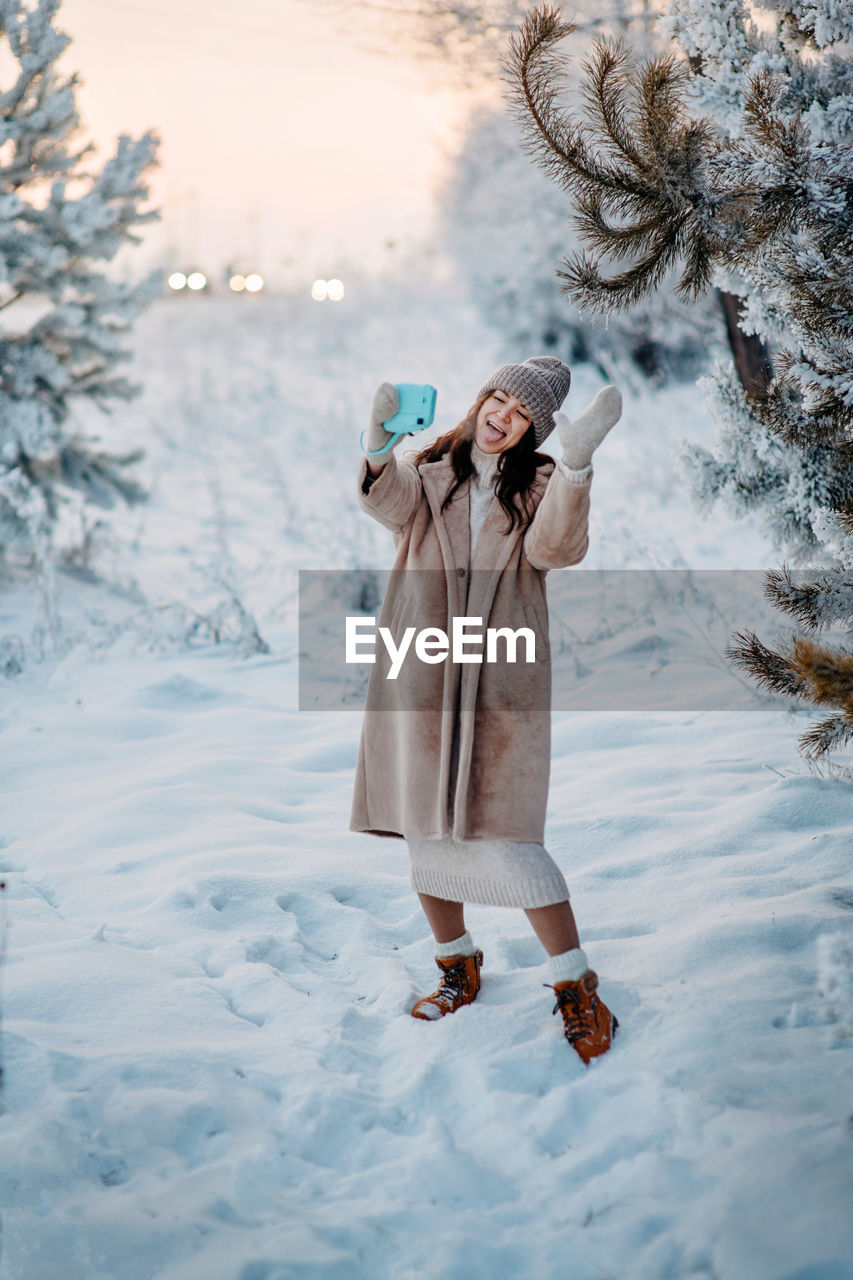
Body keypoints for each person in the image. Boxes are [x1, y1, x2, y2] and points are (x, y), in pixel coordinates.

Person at [350, 356, 622, 1064]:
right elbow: (385, 501)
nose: (502, 414)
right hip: (421, 677)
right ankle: (456, 965)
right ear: (479, 402)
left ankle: (575, 984)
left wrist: (578, 466)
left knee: (510, 841)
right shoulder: (430, 474)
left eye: (520, 411)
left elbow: (556, 549)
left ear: (535, 428)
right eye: (496, 398)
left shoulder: (537, 488)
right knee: (423, 830)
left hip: (500, 684)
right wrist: (378, 442)